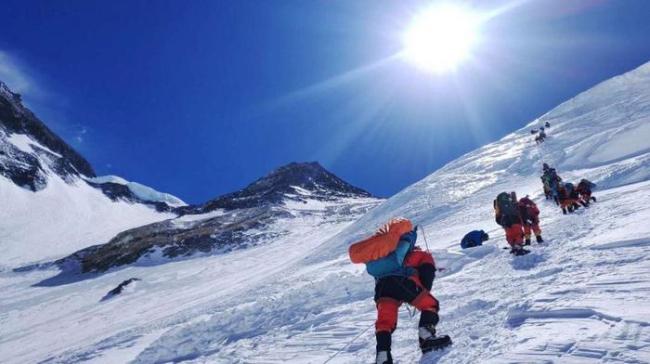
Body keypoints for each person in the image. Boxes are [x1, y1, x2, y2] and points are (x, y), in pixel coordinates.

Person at [349, 218, 451, 364]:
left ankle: (383, 356)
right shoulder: (417, 253)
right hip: (401, 282)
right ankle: (426, 338)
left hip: (382, 288)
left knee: (385, 321)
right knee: (430, 304)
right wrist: (422, 292)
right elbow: (427, 272)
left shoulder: (385, 252)